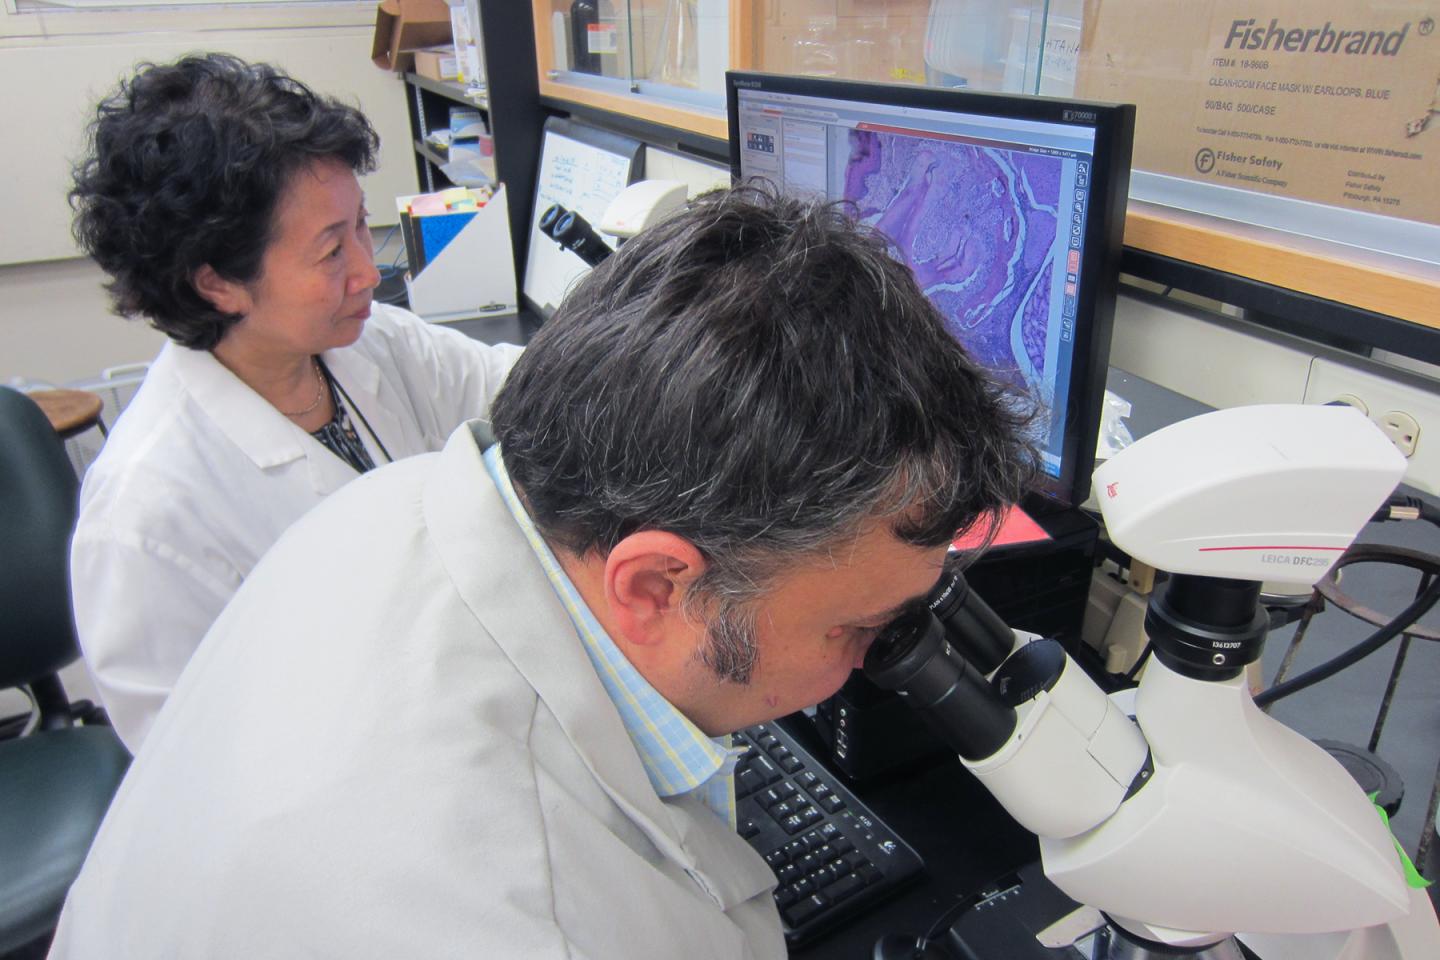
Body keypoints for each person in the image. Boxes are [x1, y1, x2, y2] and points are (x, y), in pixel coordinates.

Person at [48, 186, 1034, 958]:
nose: (871, 666)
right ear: (654, 587)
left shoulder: (387, 502)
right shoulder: (525, 927)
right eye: (857, 632)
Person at [66, 53, 521, 751]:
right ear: (217, 283)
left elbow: (517, 387)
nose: (370, 270)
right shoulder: (145, 522)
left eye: (362, 226)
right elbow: (198, 773)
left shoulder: (369, 345)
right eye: (331, 251)